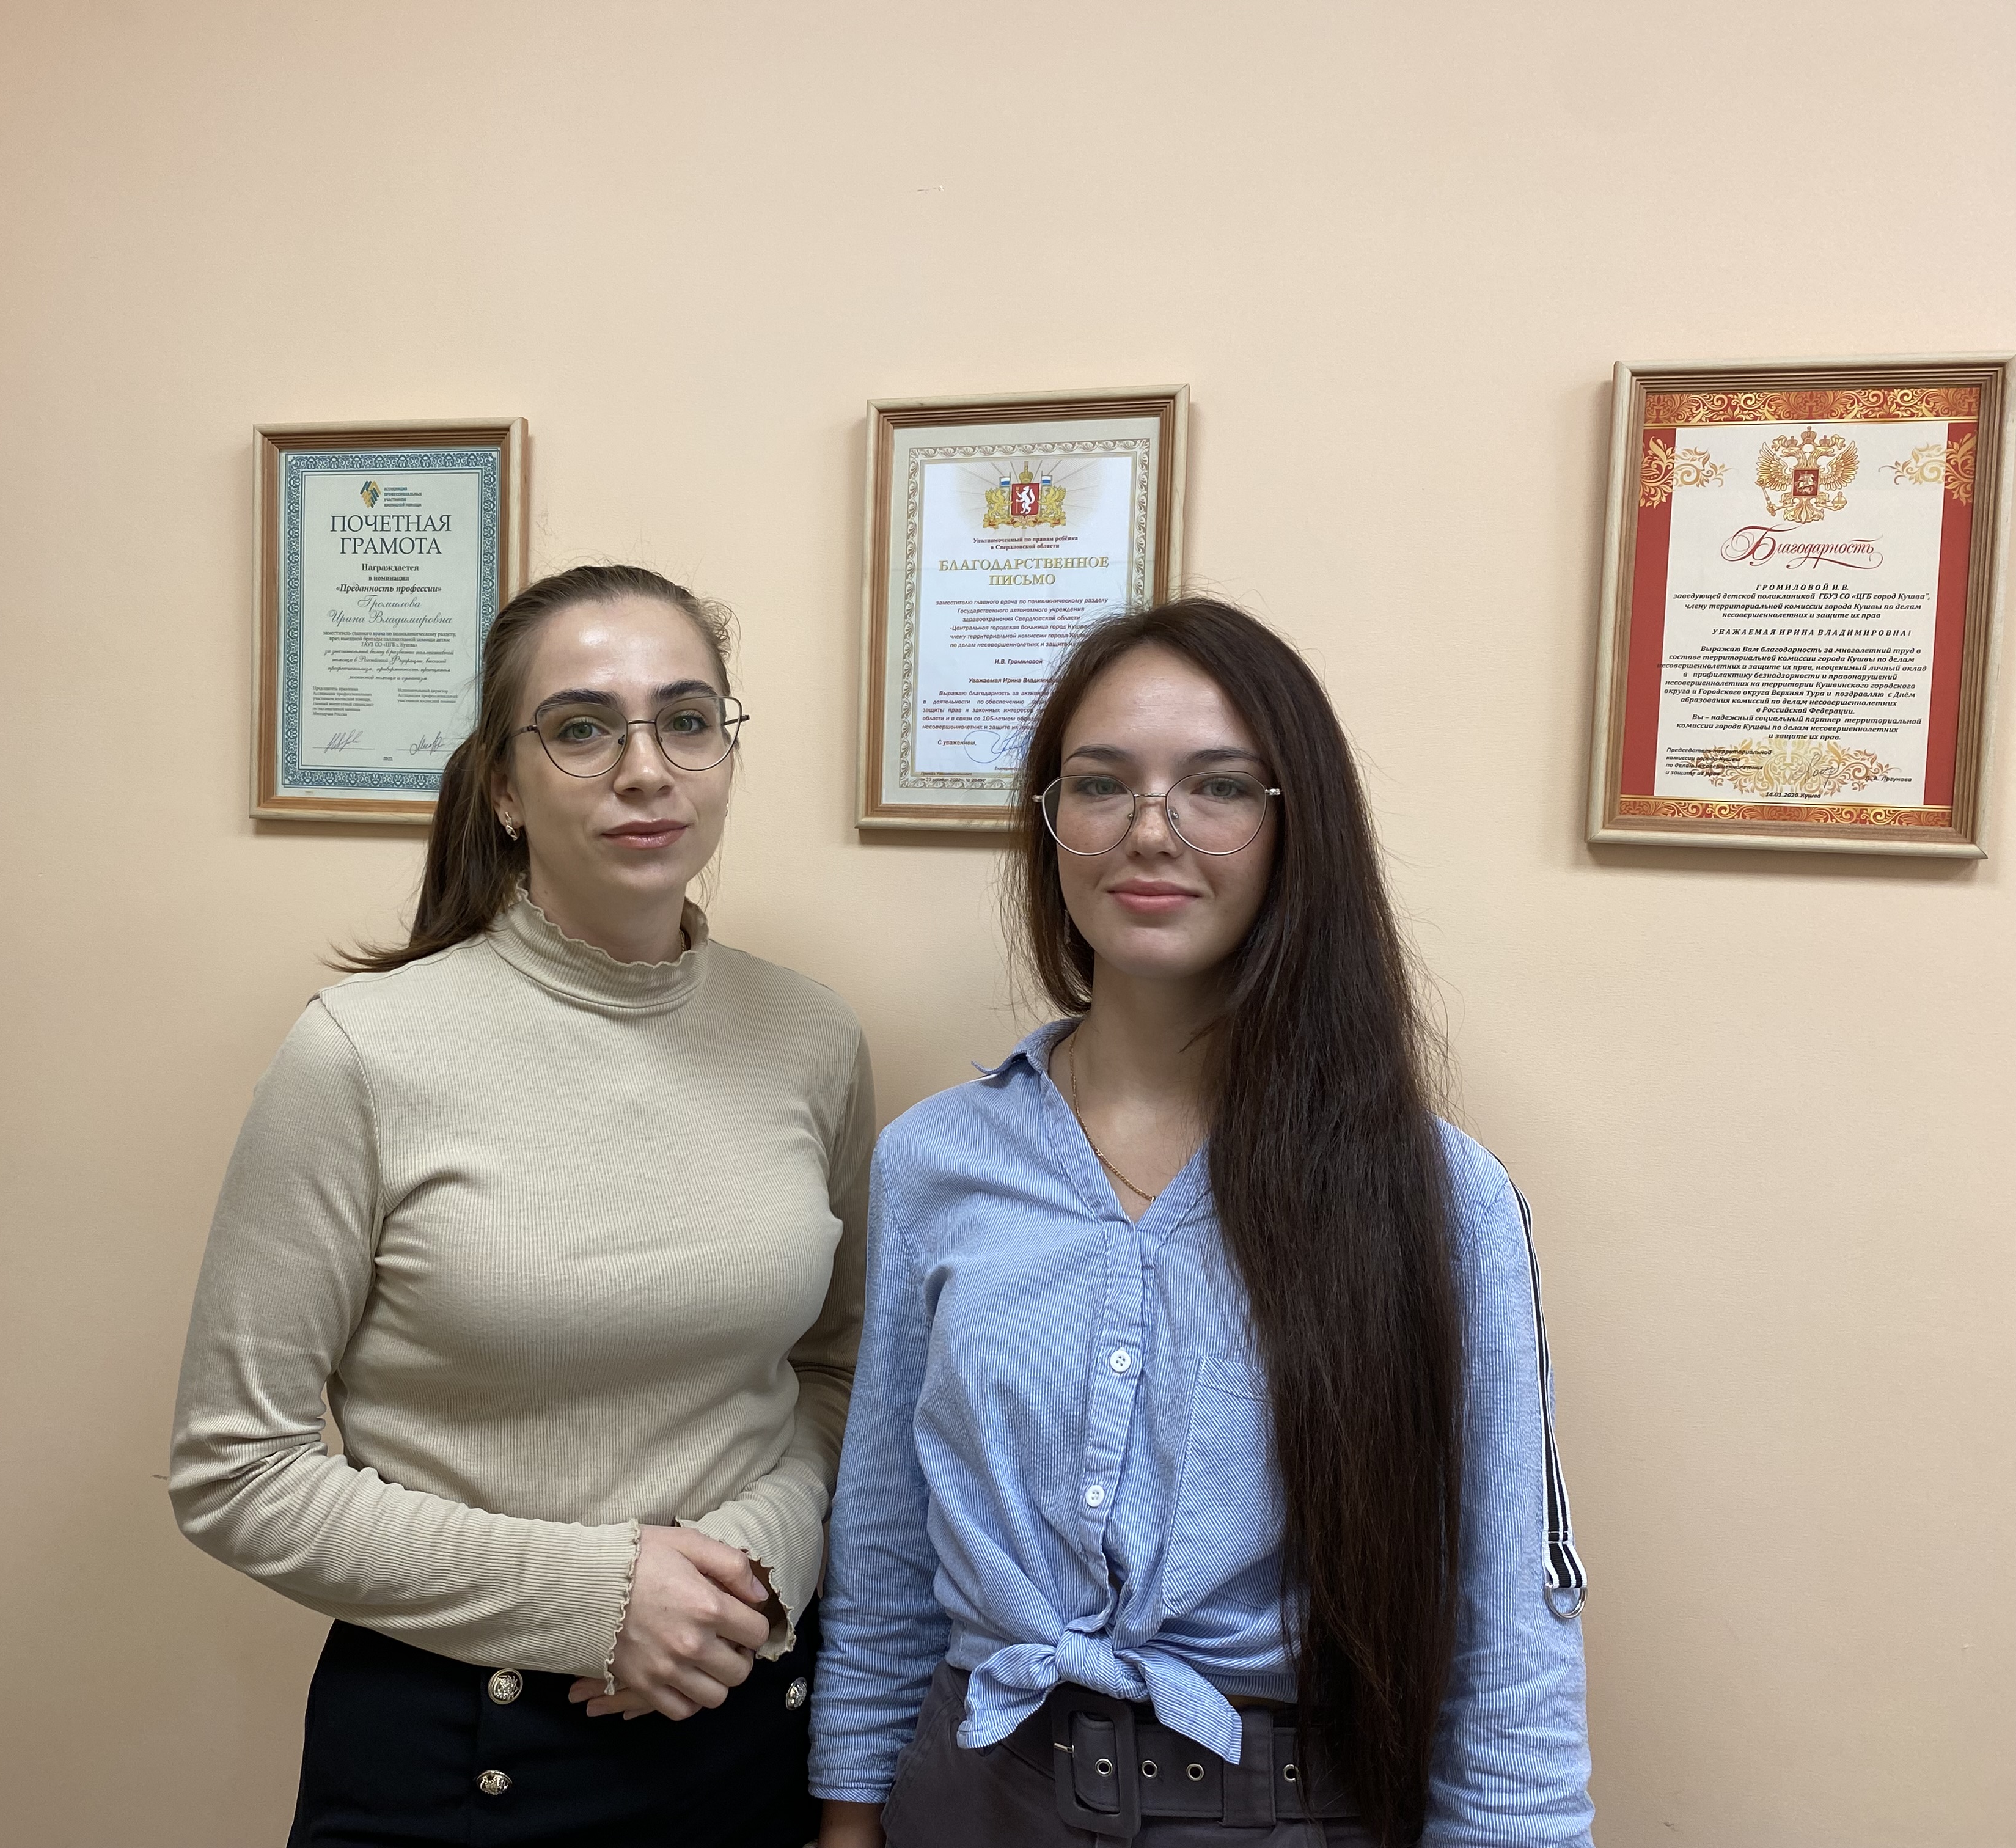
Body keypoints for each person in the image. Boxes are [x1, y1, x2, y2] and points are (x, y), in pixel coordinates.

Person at [810, 599, 1592, 1847]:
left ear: (1297, 828)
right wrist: (849, 1821)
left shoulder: (1440, 1199)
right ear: (1050, 824)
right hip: (968, 1793)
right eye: (1099, 785)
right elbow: (887, 1558)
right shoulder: (933, 1160)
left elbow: (1509, 1647)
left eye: (1218, 787)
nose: (1149, 831)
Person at [172, 564, 873, 1848]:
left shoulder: (812, 1039)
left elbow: (837, 1369)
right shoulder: (361, 1054)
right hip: (458, 1755)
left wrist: (757, 1555)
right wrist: (598, 1596)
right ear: (503, 784)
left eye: (688, 720)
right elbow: (236, 1471)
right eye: (582, 728)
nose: (646, 770)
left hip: (746, 1711)